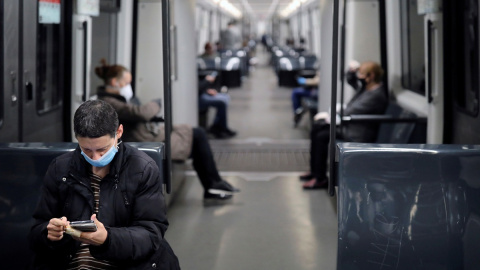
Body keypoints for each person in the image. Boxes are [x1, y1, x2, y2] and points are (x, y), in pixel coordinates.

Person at [28, 100, 180, 269]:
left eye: (103, 150)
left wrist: (108, 239)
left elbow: (151, 234)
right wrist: (49, 233)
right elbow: (37, 229)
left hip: (123, 261)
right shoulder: (60, 169)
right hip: (70, 260)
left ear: (119, 132)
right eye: (86, 150)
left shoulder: (142, 169)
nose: (96, 158)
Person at [94, 60, 239, 200]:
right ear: (114, 82)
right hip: (144, 141)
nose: (128, 87)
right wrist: (155, 104)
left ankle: (213, 183)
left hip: (148, 135)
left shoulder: (117, 99)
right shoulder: (110, 103)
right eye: (127, 83)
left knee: (195, 134)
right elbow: (141, 113)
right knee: (197, 136)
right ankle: (212, 184)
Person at [301, 61, 388, 189]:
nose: (359, 77)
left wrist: (330, 115)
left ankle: (320, 178)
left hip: (357, 132)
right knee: (317, 128)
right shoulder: (367, 88)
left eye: (362, 74)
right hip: (351, 126)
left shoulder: (375, 95)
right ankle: (315, 172)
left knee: (321, 136)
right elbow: (351, 81)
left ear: (371, 76)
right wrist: (351, 71)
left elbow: (349, 112)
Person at [199, 73, 236, 139]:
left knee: (225, 97)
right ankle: (220, 127)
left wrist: (207, 91)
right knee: (222, 103)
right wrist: (207, 81)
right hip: (199, 97)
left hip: (202, 94)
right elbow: (198, 88)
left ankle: (219, 125)